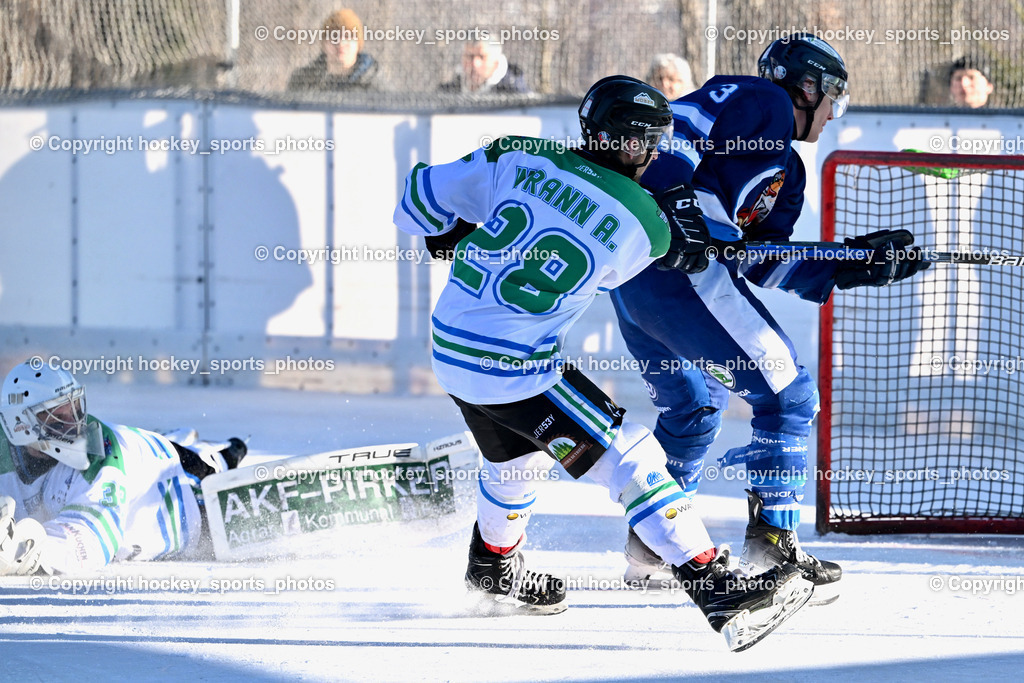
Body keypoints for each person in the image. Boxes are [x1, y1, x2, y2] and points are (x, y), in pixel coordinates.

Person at [393, 75, 813, 651]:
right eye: (651, 143)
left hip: (450, 345)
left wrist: (451, 232)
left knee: (516, 460)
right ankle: (717, 589)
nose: (657, 155)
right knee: (632, 455)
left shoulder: (518, 153)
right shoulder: (643, 219)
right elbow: (670, 262)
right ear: (629, 142)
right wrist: (687, 234)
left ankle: (493, 569)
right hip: (513, 365)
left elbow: (416, 200)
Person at [610, 35, 931, 598]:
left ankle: (654, 550)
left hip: (639, 286)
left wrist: (850, 265)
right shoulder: (764, 101)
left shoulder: (788, 173)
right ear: (808, 87)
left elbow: (760, 261)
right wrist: (679, 205)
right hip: (675, 271)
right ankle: (772, 552)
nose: (833, 112)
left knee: (693, 410)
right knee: (790, 396)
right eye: (833, 96)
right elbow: (673, 131)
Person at [0, 361, 246, 575]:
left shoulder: (97, 454)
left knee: (215, 468)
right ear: (20, 424)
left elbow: (90, 542)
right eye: (57, 416)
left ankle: (221, 454)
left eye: (75, 408)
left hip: (181, 490)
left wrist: (26, 549)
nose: (75, 425)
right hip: (135, 455)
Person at [287, 9, 379, 92]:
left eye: (348, 36)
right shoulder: (303, 81)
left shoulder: (374, 85)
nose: (341, 43)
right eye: (334, 36)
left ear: (358, 44)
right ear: (324, 44)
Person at [439, 40, 529, 94]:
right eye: (470, 56)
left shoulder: (516, 95)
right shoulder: (446, 93)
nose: (475, 63)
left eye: (482, 57)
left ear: (496, 63)